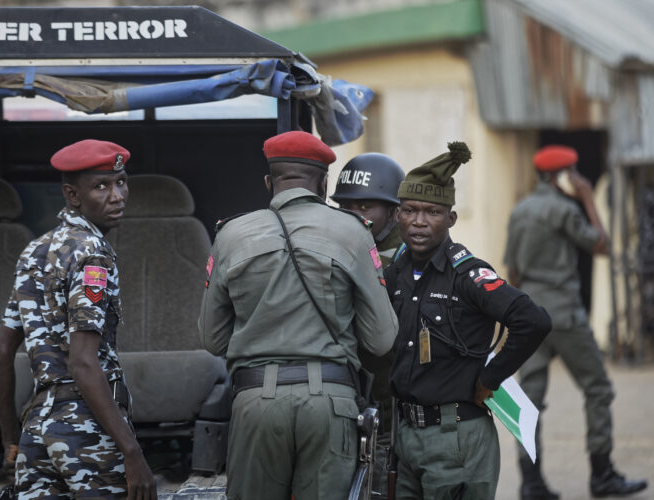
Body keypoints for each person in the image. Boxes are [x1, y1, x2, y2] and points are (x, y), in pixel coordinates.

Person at [198, 130, 398, 500]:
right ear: (324, 183)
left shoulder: (230, 235)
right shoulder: (354, 233)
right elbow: (381, 339)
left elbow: (212, 339)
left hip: (255, 403)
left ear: (268, 182)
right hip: (331, 403)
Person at [0, 139, 157, 500]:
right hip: (88, 430)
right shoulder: (93, 254)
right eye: (101, 186)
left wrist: (10, 439)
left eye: (121, 182)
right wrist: (132, 453)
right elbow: (83, 362)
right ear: (72, 195)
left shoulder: (34, 251)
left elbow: (0, 351)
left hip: (37, 430)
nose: (117, 196)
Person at [385, 141, 552, 499]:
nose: (418, 221)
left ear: (451, 219)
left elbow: (532, 320)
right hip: (407, 437)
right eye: (409, 210)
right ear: (397, 215)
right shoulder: (395, 272)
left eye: (431, 212)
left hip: (456, 437)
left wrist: (490, 378)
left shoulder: (467, 274)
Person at [504, 145, 648, 499]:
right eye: (574, 173)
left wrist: (517, 316)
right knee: (597, 388)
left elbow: (514, 272)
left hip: (531, 316)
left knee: (529, 400)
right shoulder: (564, 209)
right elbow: (601, 245)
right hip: (565, 315)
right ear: (562, 176)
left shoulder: (520, 210)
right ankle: (602, 475)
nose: (580, 179)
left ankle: (531, 482)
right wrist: (586, 197)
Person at [330, 152, 406, 493]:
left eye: (365, 209)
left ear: (392, 213)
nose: (353, 217)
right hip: (350, 400)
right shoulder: (333, 246)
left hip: (392, 404)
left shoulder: (406, 255)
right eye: (345, 208)